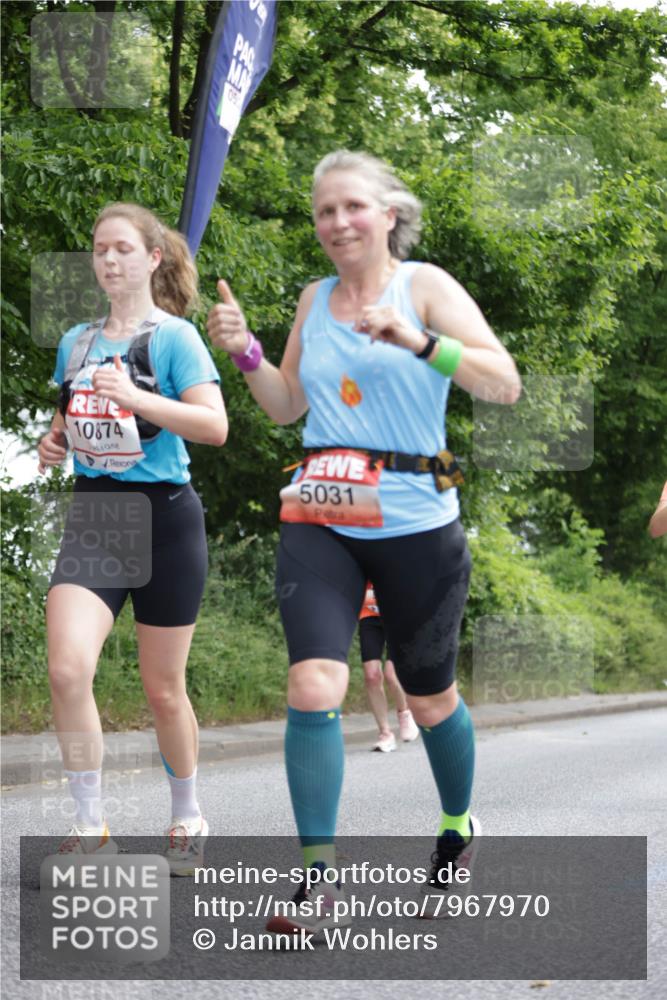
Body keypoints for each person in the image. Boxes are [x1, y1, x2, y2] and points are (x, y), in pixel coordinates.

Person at [207, 149, 521, 930]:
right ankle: (318, 880)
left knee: (429, 694)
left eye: (353, 207)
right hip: (321, 516)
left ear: (388, 214)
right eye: (324, 211)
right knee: (314, 684)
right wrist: (244, 349)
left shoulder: (426, 288)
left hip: (418, 523)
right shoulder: (314, 299)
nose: (338, 222)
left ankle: (457, 825)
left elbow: (502, 382)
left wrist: (416, 341)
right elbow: (284, 406)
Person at [38, 203, 227, 874]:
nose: (109, 260)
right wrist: (56, 441)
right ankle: (90, 828)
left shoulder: (175, 339)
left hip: (166, 519)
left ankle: (187, 816)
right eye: (99, 250)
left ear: (152, 259)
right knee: (66, 669)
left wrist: (137, 398)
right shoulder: (76, 343)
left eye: (122, 248)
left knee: (163, 689)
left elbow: (213, 426)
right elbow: (75, 422)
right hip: (96, 516)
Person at [358, 580, 419, 751]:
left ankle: (404, 713)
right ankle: (385, 733)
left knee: (392, 675)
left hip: (399, 615)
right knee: (371, 676)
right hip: (369, 613)